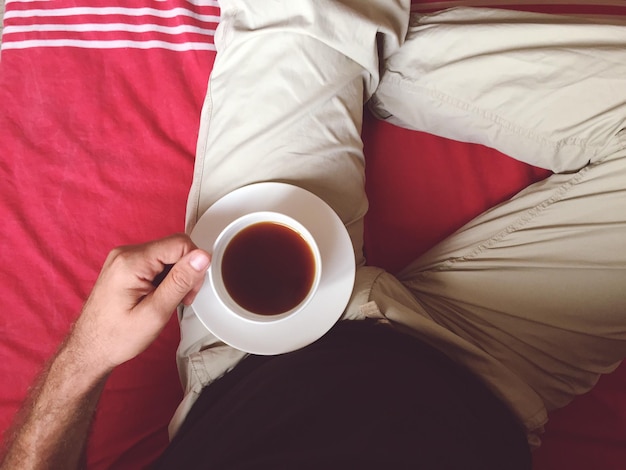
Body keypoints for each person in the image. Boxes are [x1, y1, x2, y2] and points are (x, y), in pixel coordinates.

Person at [2, 2, 625, 469]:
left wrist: (84, 359)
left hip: (252, 354)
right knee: (312, 21)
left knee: (301, 10)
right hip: (486, 380)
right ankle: (351, 48)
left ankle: (344, 47)